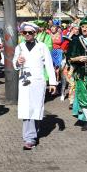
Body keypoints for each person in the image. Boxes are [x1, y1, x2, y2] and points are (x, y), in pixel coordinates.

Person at [13, 22, 57, 150]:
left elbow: (49, 64)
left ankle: (33, 133)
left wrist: (52, 82)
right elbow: (15, 65)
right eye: (24, 33)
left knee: (36, 107)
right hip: (25, 80)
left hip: (38, 81)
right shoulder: (19, 47)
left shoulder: (42, 46)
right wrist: (17, 62)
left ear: (35, 33)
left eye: (30, 32)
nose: (27, 35)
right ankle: (29, 138)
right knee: (26, 108)